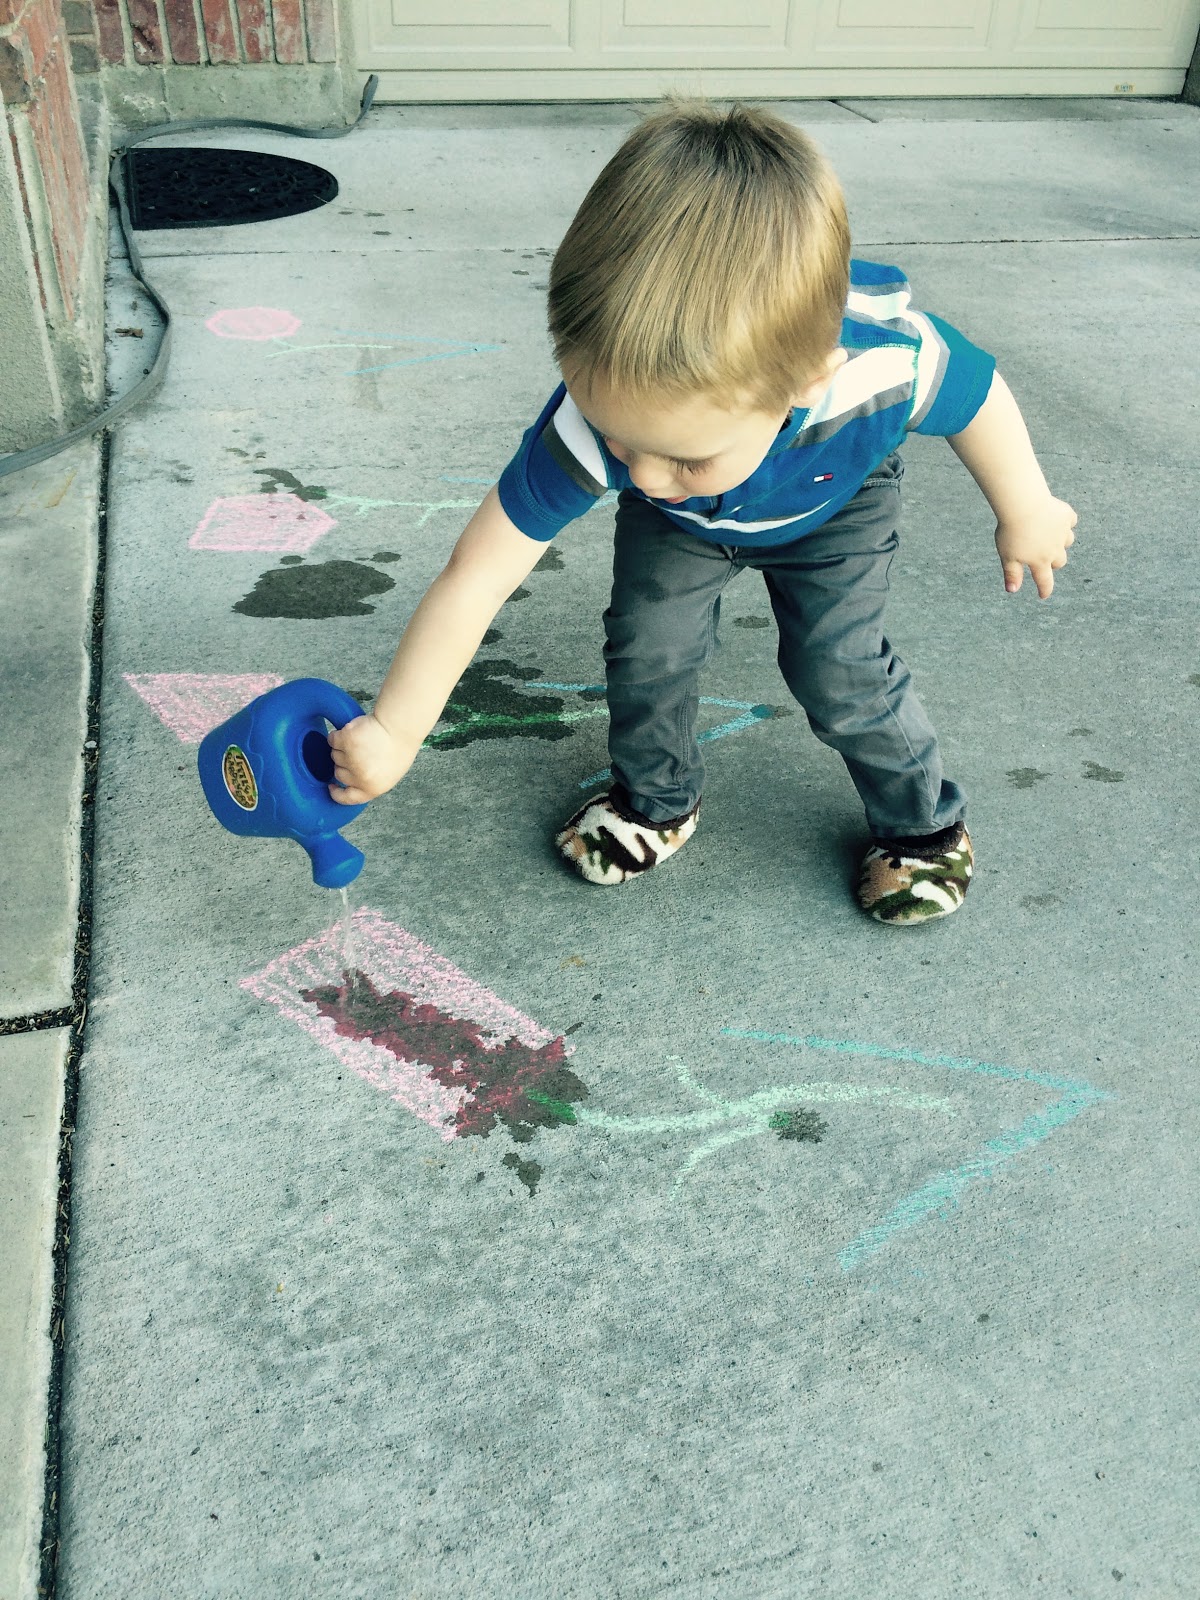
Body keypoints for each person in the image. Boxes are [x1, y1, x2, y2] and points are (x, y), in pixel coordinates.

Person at [328, 99, 1077, 925]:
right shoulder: (605, 429)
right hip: (690, 531)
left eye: (684, 452)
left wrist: (1027, 505)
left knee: (840, 670)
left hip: (836, 499)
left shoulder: (881, 364)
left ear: (805, 383)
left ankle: (923, 828)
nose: (641, 475)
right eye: (621, 439)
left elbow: (977, 396)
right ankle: (656, 802)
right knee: (647, 649)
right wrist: (395, 732)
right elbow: (475, 576)